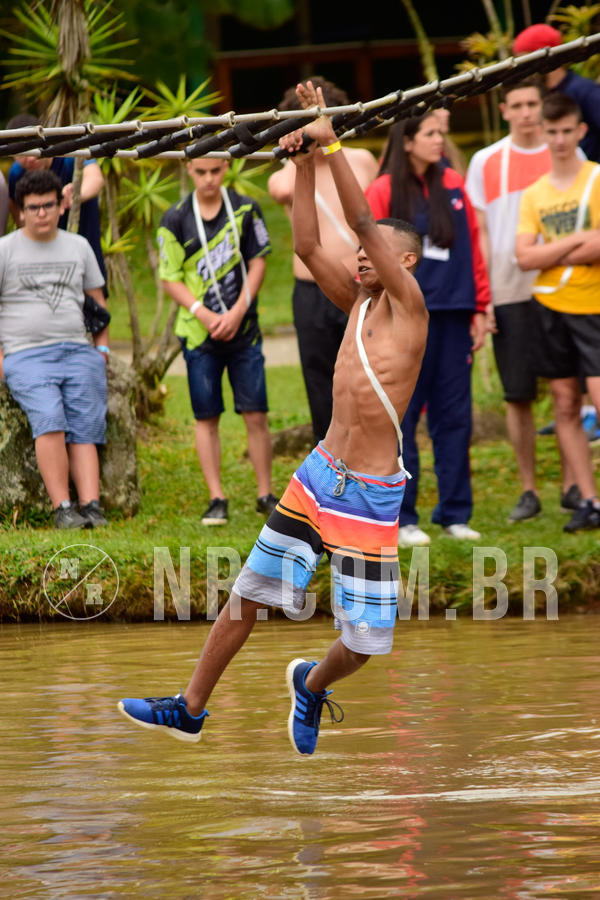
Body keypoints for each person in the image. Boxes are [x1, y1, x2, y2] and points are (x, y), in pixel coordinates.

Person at [118, 82, 429, 755]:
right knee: (249, 593)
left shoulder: (411, 309)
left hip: (371, 495)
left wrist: (331, 140)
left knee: (366, 642)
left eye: (374, 250)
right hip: (320, 477)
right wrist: (308, 159)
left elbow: (364, 226)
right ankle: (190, 707)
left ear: (404, 263)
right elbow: (316, 245)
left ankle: (312, 684)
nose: (360, 253)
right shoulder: (358, 304)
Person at [366, 113, 490, 547]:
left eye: (442, 133)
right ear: (407, 141)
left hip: (454, 315)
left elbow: (473, 246)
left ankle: (455, 514)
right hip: (404, 320)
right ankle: (404, 518)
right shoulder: (382, 191)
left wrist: (482, 306)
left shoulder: (454, 184)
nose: (441, 140)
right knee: (400, 419)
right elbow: (367, 257)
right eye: (432, 133)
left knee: (454, 417)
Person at [465, 79, 580, 521]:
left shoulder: (566, 152)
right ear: (505, 109)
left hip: (561, 289)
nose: (529, 112)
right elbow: (481, 232)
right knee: (518, 394)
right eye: (519, 105)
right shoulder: (486, 160)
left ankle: (573, 485)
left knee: (565, 388)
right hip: (508, 290)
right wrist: (485, 294)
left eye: (535, 103)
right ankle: (529, 488)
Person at [158, 157, 276, 525]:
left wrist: (240, 309)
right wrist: (203, 313)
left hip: (244, 330)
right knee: (206, 416)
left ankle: (265, 493)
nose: (209, 179)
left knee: (256, 412)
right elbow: (169, 276)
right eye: (201, 172)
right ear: (188, 169)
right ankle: (216, 498)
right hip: (199, 334)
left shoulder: (245, 207)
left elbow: (258, 259)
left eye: (216, 171)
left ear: (227, 167)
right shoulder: (175, 217)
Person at [268, 76, 379, 443]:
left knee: (370, 377)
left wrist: (327, 138)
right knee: (321, 382)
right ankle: (328, 463)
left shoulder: (361, 160)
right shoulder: (289, 172)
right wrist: (300, 147)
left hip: (363, 288)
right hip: (312, 292)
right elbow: (281, 188)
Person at [0, 170, 109, 529]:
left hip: (78, 351)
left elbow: (97, 301)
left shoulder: (78, 246)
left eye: (48, 205)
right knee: (49, 419)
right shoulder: (5, 250)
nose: (42, 213)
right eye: (33, 208)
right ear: (20, 212)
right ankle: (62, 507)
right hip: (26, 354)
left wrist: (102, 351)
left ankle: (91, 506)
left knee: (86, 425)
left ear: (61, 206)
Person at [516, 93, 600, 533]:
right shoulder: (535, 194)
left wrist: (551, 251)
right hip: (549, 308)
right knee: (565, 403)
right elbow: (523, 257)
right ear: (543, 134)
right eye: (554, 132)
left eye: (568, 130)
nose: (561, 139)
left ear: (581, 130)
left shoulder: (596, 179)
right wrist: (577, 244)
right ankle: (590, 500)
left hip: (594, 306)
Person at [7, 114, 107, 283]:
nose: (30, 159)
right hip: (41, 266)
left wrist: (74, 196)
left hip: (85, 255)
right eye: (21, 155)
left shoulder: (69, 156)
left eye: (34, 149)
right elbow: (18, 214)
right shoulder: (16, 174)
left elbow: (95, 179)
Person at [513, 24, 600, 163]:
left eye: (527, 61)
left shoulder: (585, 91)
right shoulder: (538, 95)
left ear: (546, 58)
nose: (524, 70)